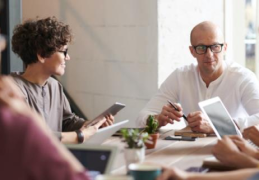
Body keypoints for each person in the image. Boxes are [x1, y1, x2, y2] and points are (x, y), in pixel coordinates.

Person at [137, 21, 259, 133]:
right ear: (192, 51)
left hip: (234, 151)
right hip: (193, 150)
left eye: (215, 47)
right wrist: (158, 119)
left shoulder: (243, 78)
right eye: (201, 48)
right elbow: (141, 117)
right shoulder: (181, 76)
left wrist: (216, 125)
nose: (209, 54)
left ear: (225, 48)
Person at [10, 17, 114, 144]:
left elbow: (67, 121)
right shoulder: (12, 90)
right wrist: (80, 136)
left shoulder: (54, 86)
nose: (68, 57)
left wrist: (93, 125)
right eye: (64, 51)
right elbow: (31, 136)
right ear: (42, 55)